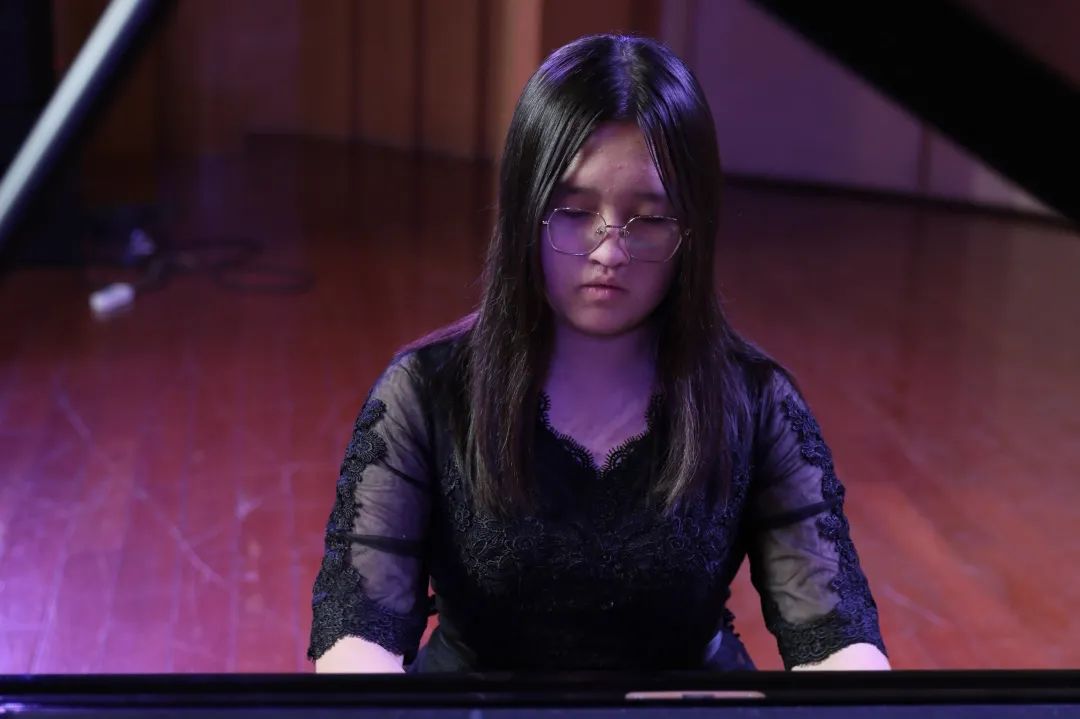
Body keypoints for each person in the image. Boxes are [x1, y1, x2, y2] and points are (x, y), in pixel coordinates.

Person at [307, 33, 890, 673]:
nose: (609, 251)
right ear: (524, 212)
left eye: (651, 219)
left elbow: (833, 632)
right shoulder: (424, 391)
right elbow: (360, 628)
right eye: (573, 211)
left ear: (694, 230)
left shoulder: (755, 399)